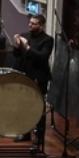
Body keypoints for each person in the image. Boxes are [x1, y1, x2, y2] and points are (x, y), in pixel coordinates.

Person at [11, 13, 53, 148]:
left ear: (41, 26)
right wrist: (17, 46)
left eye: (33, 24)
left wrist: (28, 47)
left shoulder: (47, 40)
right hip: (24, 75)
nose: (30, 25)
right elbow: (16, 55)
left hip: (38, 78)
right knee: (23, 105)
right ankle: (25, 132)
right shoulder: (25, 35)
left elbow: (42, 57)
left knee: (38, 107)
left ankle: (39, 136)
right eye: (30, 22)